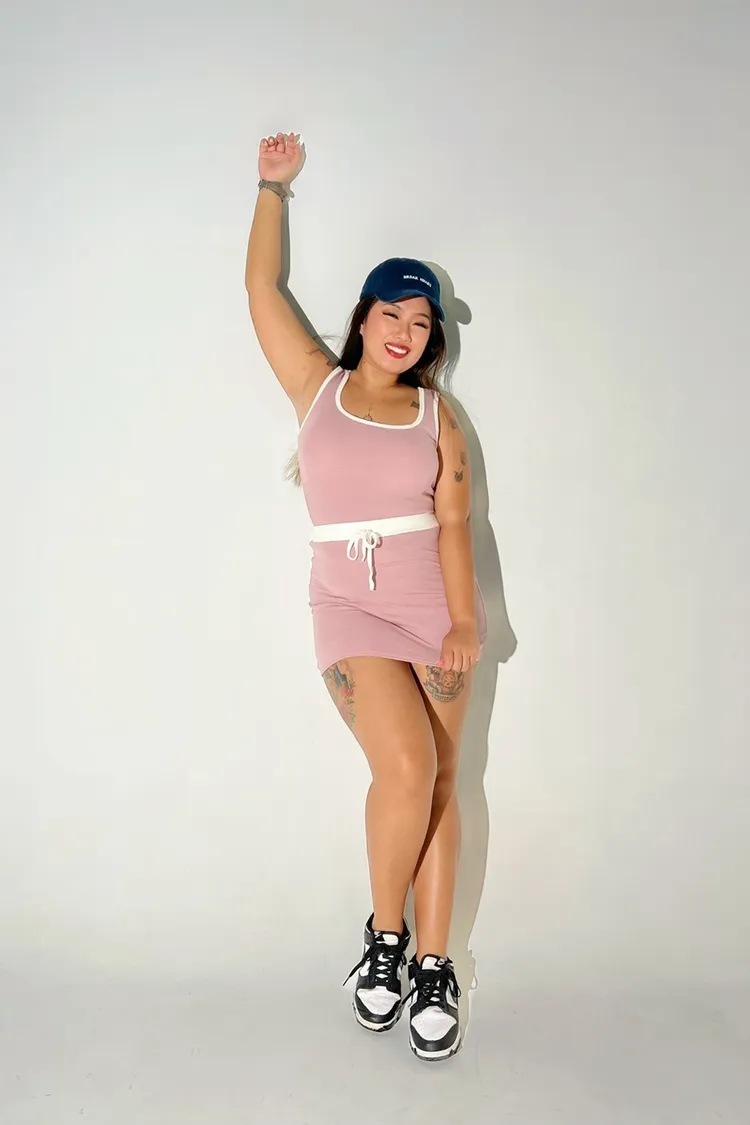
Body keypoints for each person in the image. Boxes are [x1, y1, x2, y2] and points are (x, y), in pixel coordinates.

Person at [245, 131, 487, 1062]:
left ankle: (435, 964)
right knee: (406, 767)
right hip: (348, 608)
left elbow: (455, 524)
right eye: (393, 312)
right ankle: (385, 938)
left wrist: (465, 619)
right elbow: (262, 290)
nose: (405, 331)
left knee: (442, 783)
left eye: (422, 323)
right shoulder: (319, 387)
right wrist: (273, 189)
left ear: (432, 339)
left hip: (432, 608)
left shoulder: (438, 415)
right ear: (363, 316)